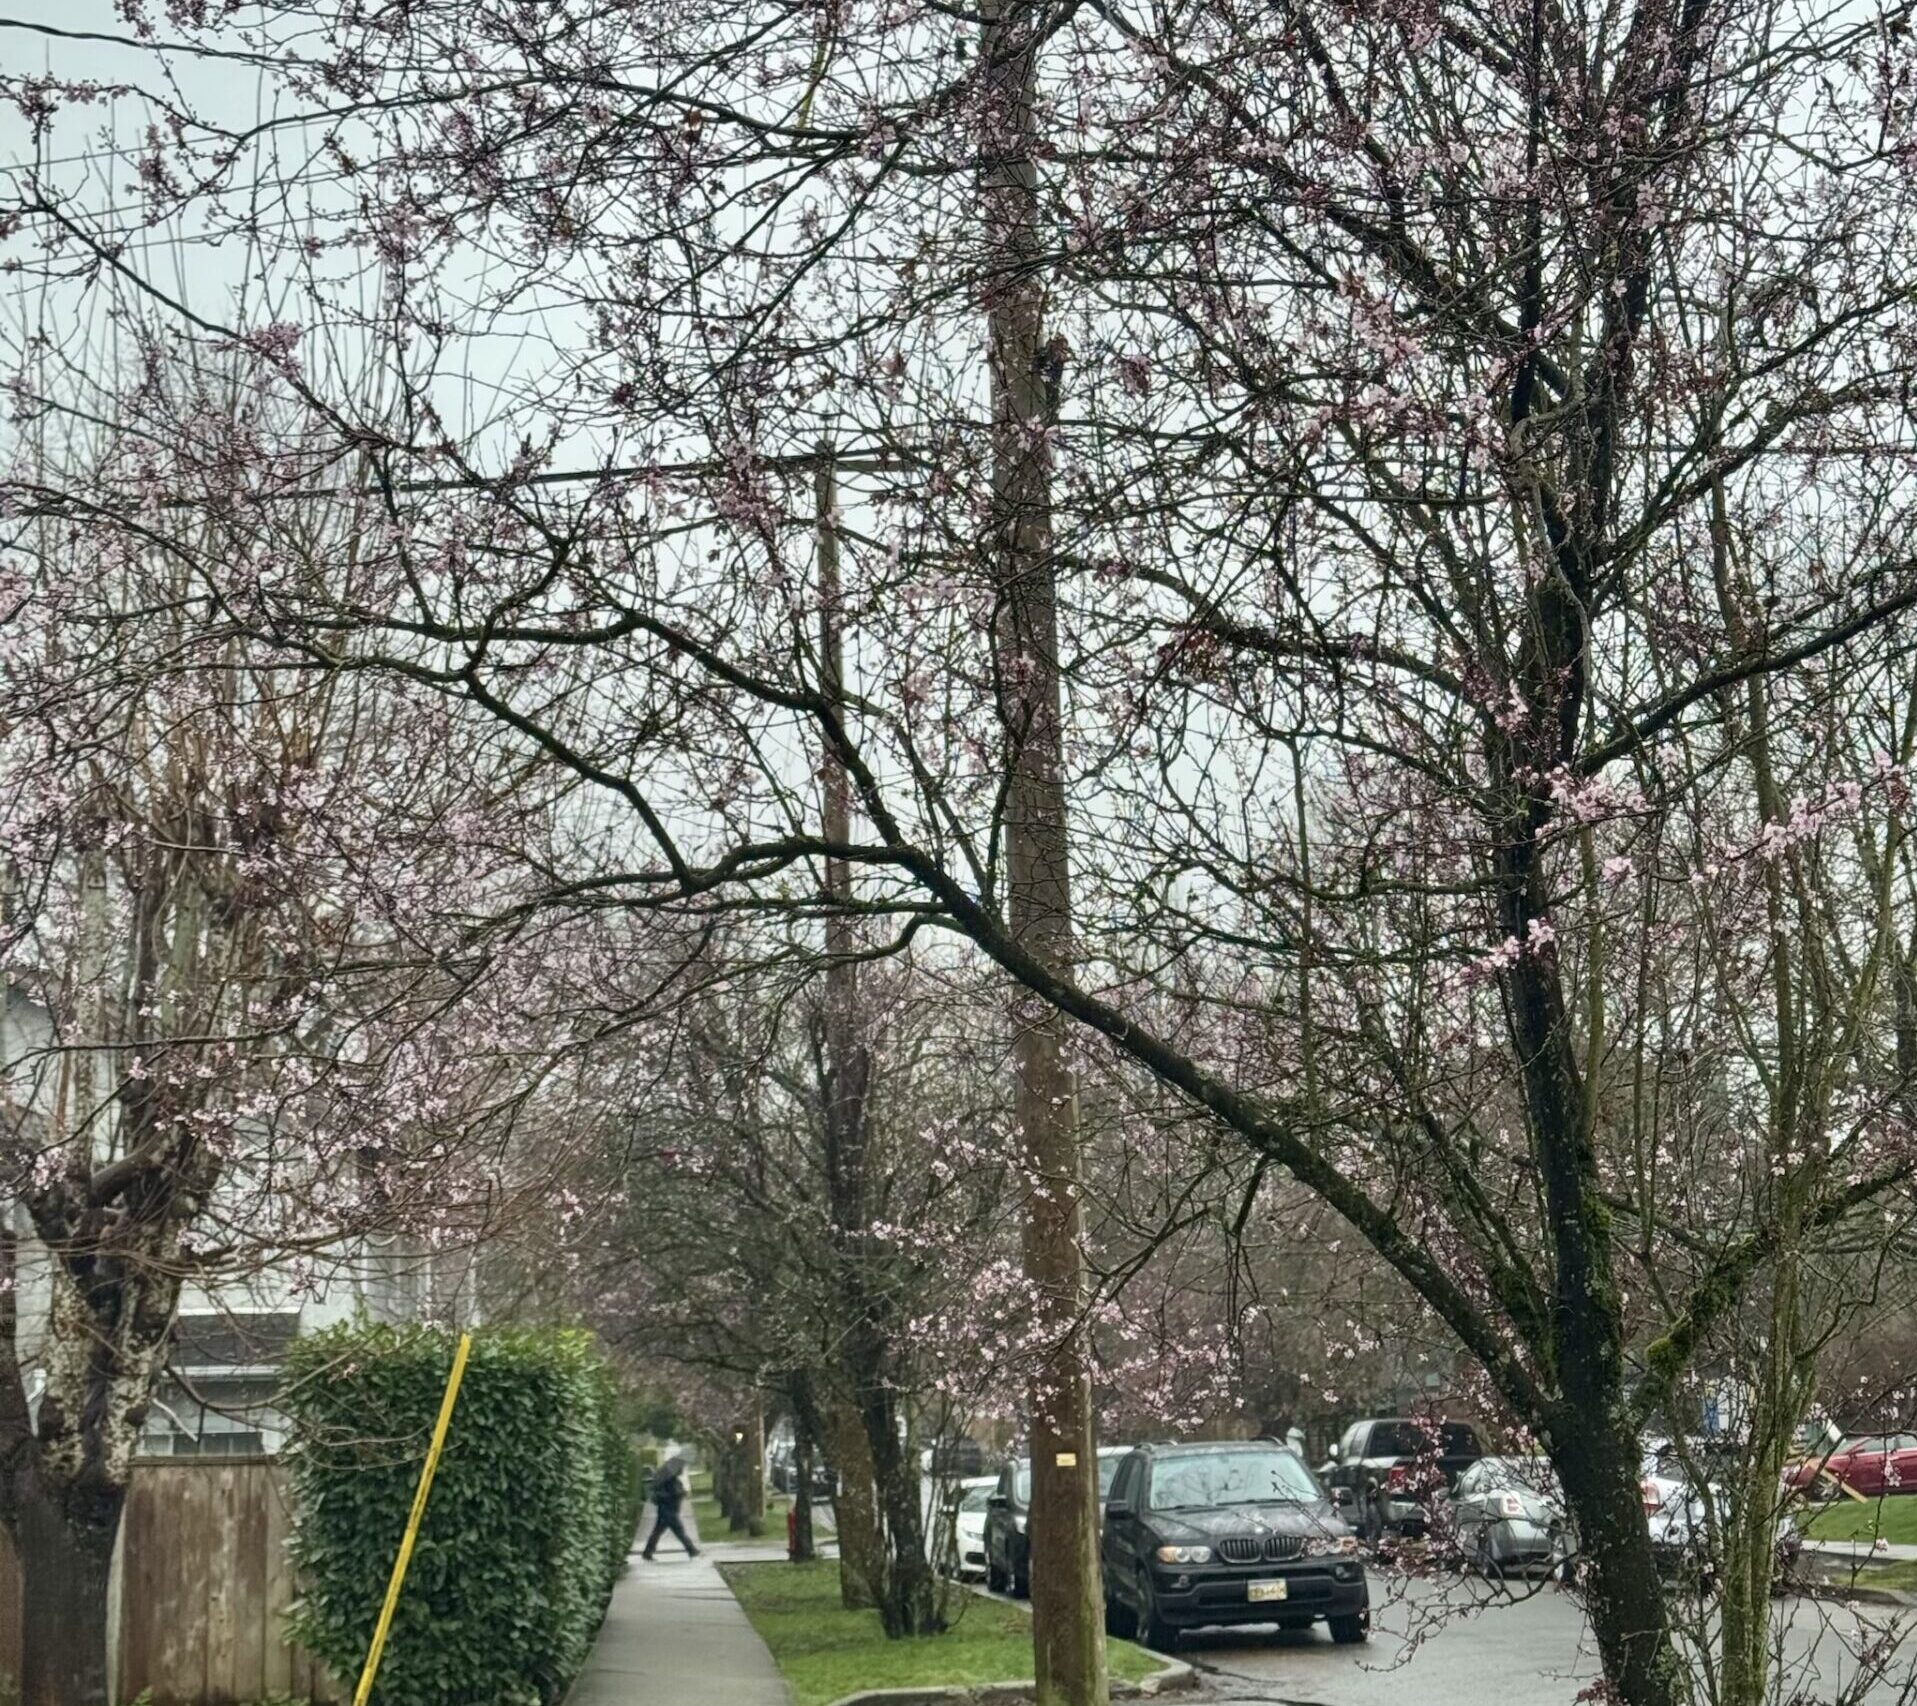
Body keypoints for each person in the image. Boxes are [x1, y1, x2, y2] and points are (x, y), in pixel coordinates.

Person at [642, 1456, 700, 1560]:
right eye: (681, 1469)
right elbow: (670, 1495)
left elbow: (677, 1492)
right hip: (668, 1511)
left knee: (658, 1531)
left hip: (668, 1510)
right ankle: (692, 1550)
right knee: (679, 1531)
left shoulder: (674, 1480)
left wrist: (681, 1493)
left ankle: (647, 1552)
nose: (682, 1470)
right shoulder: (669, 1482)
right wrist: (680, 1494)